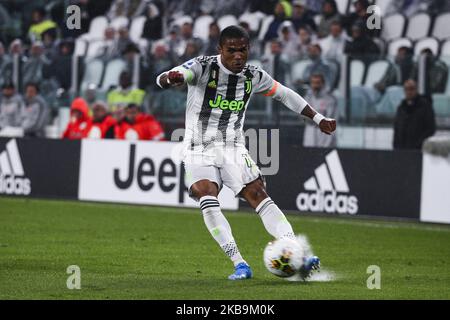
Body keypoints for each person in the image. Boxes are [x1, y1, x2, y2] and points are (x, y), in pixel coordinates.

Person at [156, 26, 336, 280]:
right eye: (232, 51)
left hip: (232, 147)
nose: (238, 56)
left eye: (243, 50)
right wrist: (170, 78)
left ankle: (297, 253)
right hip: (198, 148)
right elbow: (168, 76)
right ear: (220, 50)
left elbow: (284, 95)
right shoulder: (202, 66)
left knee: (258, 194)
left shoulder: (253, 75)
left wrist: (318, 118)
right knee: (206, 195)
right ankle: (239, 263)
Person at [393, 79, 436, 150]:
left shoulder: (425, 107)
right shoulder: (401, 108)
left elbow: (430, 129)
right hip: (401, 151)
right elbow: (396, 129)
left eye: (411, 89)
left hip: (418, 150)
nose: (409, 92)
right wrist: (396, 147)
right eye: (406, 89)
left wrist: (419, 144)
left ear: (416, 90)